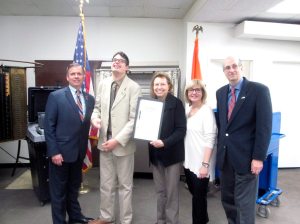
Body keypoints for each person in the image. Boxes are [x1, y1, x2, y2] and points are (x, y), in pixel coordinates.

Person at [215, 56, 272, 224]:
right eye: (227, 67)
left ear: (241, 68)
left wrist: (258, 158)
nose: (231, 70)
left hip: (247, 159)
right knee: (228, 201)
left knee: (245, 205)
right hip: (226, 159)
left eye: (234, 66)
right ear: (224, 71)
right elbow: (224, 126)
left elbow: (264, 127)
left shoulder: (259, 90)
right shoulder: (220, 92)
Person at [90, 51, 141, 224]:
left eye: (121, 61)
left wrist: (117, 140)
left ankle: (125, 220)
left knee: (125, 186)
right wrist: (95, 118)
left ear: (127, 67)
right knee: (106, 184)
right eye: (114, 60)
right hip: (104, 142)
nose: (117, 63)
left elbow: (134, 119)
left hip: (123, 145)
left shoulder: (134, 87)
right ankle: (106, 217)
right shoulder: (103, 84)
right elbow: (96, 108)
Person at [44, 63, 95, 224]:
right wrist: (54, 152)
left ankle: (75, 216)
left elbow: (87, 124)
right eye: (72, 74)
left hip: (79, 152)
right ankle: (59, 221)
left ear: (83, 77)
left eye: (79, 74)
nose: (76, 76)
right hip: (60, 154)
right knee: (59, 192)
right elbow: (49, 126)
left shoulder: (89, 99)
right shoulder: (56, 96)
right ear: (67, 77)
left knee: (73, 189)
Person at [148, 72, 186, 224]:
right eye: (156, 84)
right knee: (160, 191)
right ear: (153, 87)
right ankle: (160, 220)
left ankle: (171, 221)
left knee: (171, 193)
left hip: (171, 155)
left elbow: (181, 130)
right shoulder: (150, 104)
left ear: (169, 86)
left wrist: (165, 142)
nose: (159, 87)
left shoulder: (176, 104)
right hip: (156, 156)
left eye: (162, 84)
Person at [183, 80, 217, 224]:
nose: (194, 92)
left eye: (198, 90)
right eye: (191, 90)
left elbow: (211, 139)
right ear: (187, 93)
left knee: (198, 198)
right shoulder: (187, 110)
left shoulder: (206, 111)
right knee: (195, 194)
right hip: (188, 161)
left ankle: (200, 221)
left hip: (201, 162)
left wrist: (205, 164)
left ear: (203, 93)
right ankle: (204, 218)